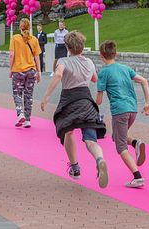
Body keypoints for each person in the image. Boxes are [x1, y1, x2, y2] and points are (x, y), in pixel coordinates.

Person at [40, 31, 109, 188]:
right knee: (90, 140)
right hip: (86, 101)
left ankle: (75, 167)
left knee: (68, 131)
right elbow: (95, 79)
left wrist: (46, 97)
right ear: (83, 47)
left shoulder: (63, 61)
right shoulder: (89, 63)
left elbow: (57, 76)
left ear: (67, 47)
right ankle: (100, 159)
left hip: (69, 101)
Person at [95, 40, 149, 188]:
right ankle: (135, 143)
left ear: (101, 56)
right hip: (132, 109)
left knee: (120, 147)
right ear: (116, 53)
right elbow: (144, 81)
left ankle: (137, 176)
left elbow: (99, 101)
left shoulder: (103, 73)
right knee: (117, 136)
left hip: (119, 111)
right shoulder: (125, 68)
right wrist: (147, 103)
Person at [9, 18, 41, 128]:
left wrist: (10, 69)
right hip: (31, 70)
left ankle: (20, 113)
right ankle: (28, 120)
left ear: (20, 27)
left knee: (17, 93)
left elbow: (11, 55)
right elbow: (37, 57)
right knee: (29, 94)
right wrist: (39, 71)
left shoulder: (15, 38)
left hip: (18, 70)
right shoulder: (34, 40)